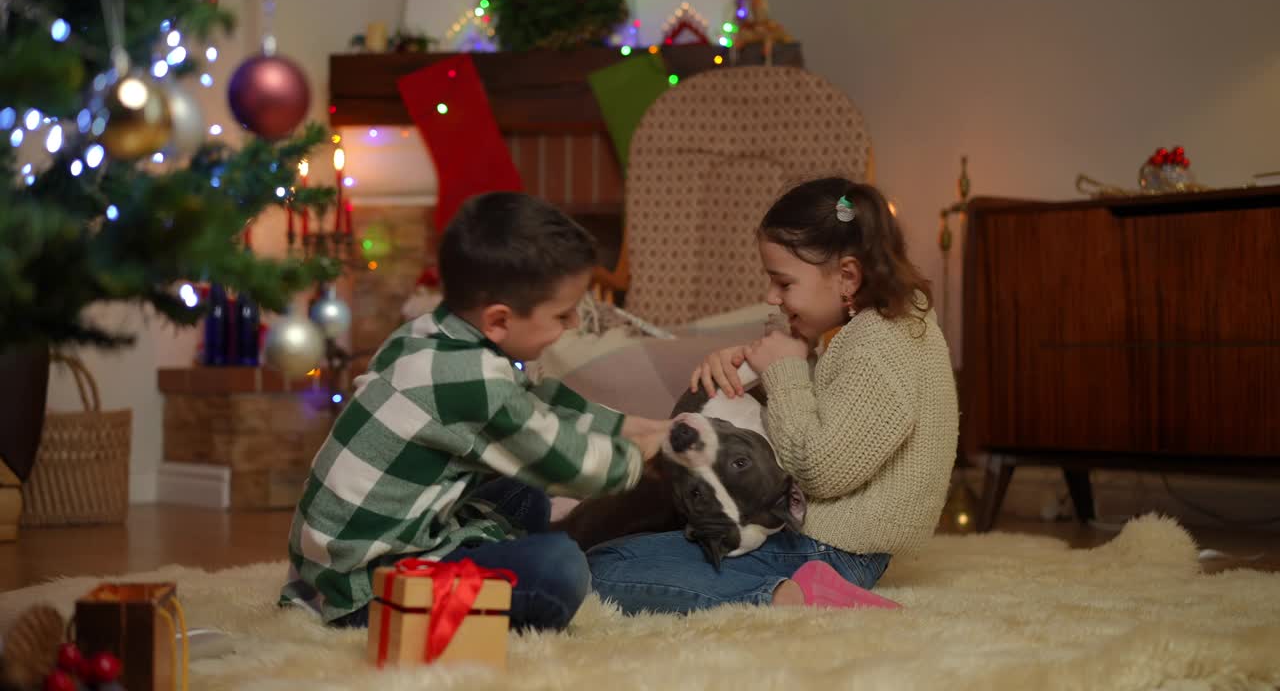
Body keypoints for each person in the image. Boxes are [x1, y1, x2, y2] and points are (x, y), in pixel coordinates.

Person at [279, 192, 671, 631]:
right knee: (560, 566)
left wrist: (626, 425)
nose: (575, 325)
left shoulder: (426, 334)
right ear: (499, 320)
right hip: (366, 591)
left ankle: (490, 557)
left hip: (349, 557)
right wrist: (643, 457)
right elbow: (566, 464)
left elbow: (535, 399)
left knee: (525, 493)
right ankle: (492, 587)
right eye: (563, 315)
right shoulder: (474, 383)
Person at [587, 178, 959, 613]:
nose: (771, 297)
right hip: (816, 541)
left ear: (847, 277)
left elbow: (822, 469)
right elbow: (818, 409)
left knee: (603, 570)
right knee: (624, 548)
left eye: (783, 283)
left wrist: (783, 369)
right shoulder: (875, 333)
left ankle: (790, 596)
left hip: (829, 551)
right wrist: (747, 365)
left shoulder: (884, 347)